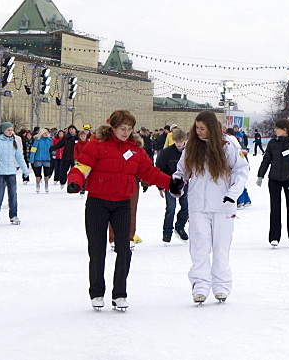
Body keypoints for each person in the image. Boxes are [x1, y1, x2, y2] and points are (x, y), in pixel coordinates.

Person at [66, 111, 177, 311]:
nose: (126, 133)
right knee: (97, 249)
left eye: (129, 129)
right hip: (97, 202)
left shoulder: (135, 150)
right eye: (122, 129)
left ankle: (119, 293)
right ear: (113, 128)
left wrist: (170, 183)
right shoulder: (97, 145)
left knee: (124, 249)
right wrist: (75, 182)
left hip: (122, 204)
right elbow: (81, 167)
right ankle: (97, 292)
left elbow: (149, 172)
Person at [174, 110, 249, 304]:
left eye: (202, 128)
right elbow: (182, 170)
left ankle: (221, 285)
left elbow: (241, 170)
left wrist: (233, 195)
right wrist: (177, 182)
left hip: (223, 204)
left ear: (212, 128)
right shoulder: (192, 145)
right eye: (197, 128)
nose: (198, 132)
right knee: (199, 246)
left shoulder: (229, 144)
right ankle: (200, 284)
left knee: (221, 247)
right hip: (198, 204)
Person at [256, 119, 289, 247]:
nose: (275, 130)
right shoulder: (273, 143)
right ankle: (274, 237)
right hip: (274, 179)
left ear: (285, 129)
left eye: (277, 128)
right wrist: (261, 175)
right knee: (275, 208)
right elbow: (266, 160)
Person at [0, 122, 29, 224]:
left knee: (13, 195)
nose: (10, 132)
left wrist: (25, 169)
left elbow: (19, 157)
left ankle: (14, 215)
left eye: (11, 130)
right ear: (3, 131)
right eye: (8, 130)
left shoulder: (14, 142)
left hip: (11, 171)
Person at [155, 128, 189, 243]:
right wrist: (160, 186)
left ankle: (180, 227)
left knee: (186, 207)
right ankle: (167, 232)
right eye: (177, 141)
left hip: (185, 184)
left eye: (181, 141)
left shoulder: (189, 152)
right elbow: (159, 168)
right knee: (171, 208)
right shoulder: (167, 152)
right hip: (170, 184)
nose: (179, 144)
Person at [29, 128, 54, 193]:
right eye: (44, 133)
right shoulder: (37, 141)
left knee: (46, 174)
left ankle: (46, 186)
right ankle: (37, 186)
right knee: (38, 174)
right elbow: (33, 150)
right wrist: (32, 158)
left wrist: (53, 153)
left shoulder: (49, 140)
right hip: (38, 159)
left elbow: (51, 148)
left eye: (46, 133)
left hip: (47, 159)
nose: (46, 134)